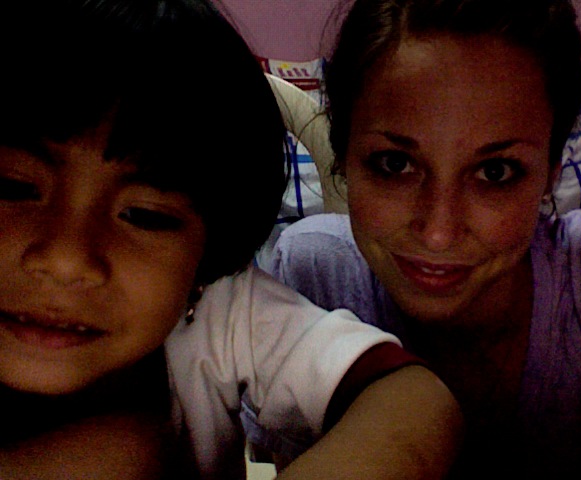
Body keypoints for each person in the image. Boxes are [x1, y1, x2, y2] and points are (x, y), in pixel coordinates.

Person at [0, 1, 463, 479]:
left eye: (143, 215)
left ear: (207, 252)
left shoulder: (214, 313)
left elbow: (414, 401)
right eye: (11, 187)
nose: (65, 260)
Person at [269, 0, 581, 477]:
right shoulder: (312, 280)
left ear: (551, 172)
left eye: (495, 172)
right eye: (395, 164)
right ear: (343, 156)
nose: (439, 234)